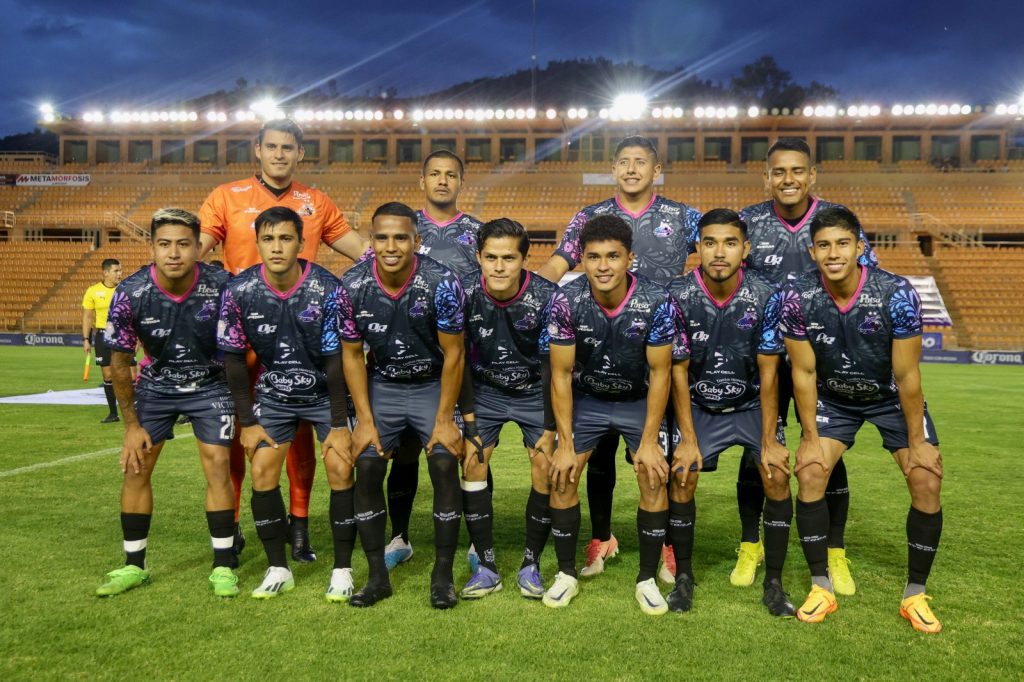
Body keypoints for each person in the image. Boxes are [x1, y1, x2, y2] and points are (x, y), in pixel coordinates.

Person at [199, 118, 365, 564]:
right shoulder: (226, 197)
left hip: (301, 332)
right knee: (241, 431)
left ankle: (300, 526)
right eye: (271, 146)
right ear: (257, 150)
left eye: (287, 147)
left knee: (302, 432)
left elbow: (363, 251)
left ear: (300, 154)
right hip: (245, 330)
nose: (278, 154)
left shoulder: (317, 202)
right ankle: (234, 525)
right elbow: (195, 249)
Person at [536, 135, 702, 580]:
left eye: (640, 162)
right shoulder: (589, 216)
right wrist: (530, 295)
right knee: (599, 456)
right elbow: (559, 263)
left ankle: (666, 544)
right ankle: (601, 537)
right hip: (598, 349)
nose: (631, 169)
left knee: (657, 460)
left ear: (656, 170)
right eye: (624, 162)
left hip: (657, 350)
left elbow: (724, 247)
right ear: (613, 169)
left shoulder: (683, 216)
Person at [780, 207, 943, 633]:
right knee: (810, 471)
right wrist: (810, 436)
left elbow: (907, 375)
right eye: (823, 245)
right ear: (812, 252)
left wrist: (917, 441)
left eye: (842, 244)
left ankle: (915, 594)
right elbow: (803, 372)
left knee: (926, 479)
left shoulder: (895, 292)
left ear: (859, 247)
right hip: (834, 399)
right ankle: (821, 587)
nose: (833, 254)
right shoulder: (797, 295)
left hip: (889, 399)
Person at [732, 137, 879, 594]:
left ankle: (835, 551)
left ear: (812, 175)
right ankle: (750, 544)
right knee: (758, 450)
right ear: (767, 176)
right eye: (779, 171)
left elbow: (867, 281)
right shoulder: (749, 222)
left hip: (824, 359)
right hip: (764, 359)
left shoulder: (837, 220)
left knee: (826, 453)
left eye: (797, 170)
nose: (788, 179)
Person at [95, 208, 238, 597]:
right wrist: (130, 426)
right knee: (136, 467)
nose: (173, 253)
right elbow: (119, 362)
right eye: (164, 244)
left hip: (211, 384)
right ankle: (133, 565)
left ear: (198, 247)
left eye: (183, 244)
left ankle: (223, 566)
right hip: (156, 387)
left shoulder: (222, 285)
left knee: (218, 465)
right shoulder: (131, 292)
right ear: (152, 247)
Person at [216, 206, 355, 600]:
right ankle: (278, 568)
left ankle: (342, 570)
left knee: (341, 469)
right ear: (257, 243)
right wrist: (247, 422)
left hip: (325, 395)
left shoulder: (328, 288)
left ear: (301, 242)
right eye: (268, 239)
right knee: (262, 471)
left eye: (285, 238)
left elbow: (337, 359)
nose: (276, 247)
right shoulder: (239, 291)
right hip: (274, 396)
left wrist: (340, 424)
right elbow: (233, 359)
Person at [543, 214, 678, 615]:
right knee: (562, 474)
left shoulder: (657, 300)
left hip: (638, 400)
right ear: (582, 259)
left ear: (629, 258)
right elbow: (561, 374)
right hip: (588, 400)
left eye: (613, 256)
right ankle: (566, 574)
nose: (603, 266)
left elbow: (660, 373)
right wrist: (565, 444)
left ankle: (646, 578)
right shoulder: (566, 300)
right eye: (593, 256)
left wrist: (649, 442)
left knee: (652, 474)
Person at [665, 209, 795, 617]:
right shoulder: (676, 294)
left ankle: (774, 582)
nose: (719, 252)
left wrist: (770, 440)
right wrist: (687, 439)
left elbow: (770, 371)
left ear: (746, 249)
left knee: (776, 474)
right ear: (697, 247)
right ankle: (684, 577)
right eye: (710, 243)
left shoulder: (767, 294)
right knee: (682, 475)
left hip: (751, 404)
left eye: (730, 243)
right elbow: (677, 371)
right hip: (698, 406)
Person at [338, 202, 465, 609]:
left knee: (444, 461)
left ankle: (442, 576)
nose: (391, 246)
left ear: (417, 240)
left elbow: (455, 354)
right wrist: (364, 420)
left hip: (432, 385)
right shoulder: (352, 284)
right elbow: (351, 356)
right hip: (384, 385)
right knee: (367, 464)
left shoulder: (442, 282)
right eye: (382, 238)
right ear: (371, 240)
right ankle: (377, 577)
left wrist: (444, 419)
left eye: (400, 238)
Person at [383, 150, 485, 573]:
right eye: (435, 174)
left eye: (451, 175)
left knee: (472, 448)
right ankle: (399, 537)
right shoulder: (402, 228)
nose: (443, 181)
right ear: (421, 181)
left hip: (462, 357)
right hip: (409, 360)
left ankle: (477, 541)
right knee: (406, 450)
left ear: (461, 182)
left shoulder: (477, 232)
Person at [456, 218, 558, 600]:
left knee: (544, 465)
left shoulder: (547, 297)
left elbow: (553, 368)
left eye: (509, 258)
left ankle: (531, 564)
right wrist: (468, 422)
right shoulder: (462, 293)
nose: (499, 267)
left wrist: (550, 426)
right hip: (484, 391)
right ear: (479, 257)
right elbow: (457, 359)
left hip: (534, 391)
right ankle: (486, 567)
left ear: (524, 260)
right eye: (491, 257)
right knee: (473, 461)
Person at [82, 258, 133, 422]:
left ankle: (134, 412)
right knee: (108, 375)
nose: (120, 274)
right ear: (105, 273)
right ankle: (113, 414)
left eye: (120, 270)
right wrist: (86, 339)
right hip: (103, 334)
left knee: (129, 374)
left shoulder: (126, 289)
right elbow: (88, 316)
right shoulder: (93, 291)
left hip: (123, 333)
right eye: (116, 271)